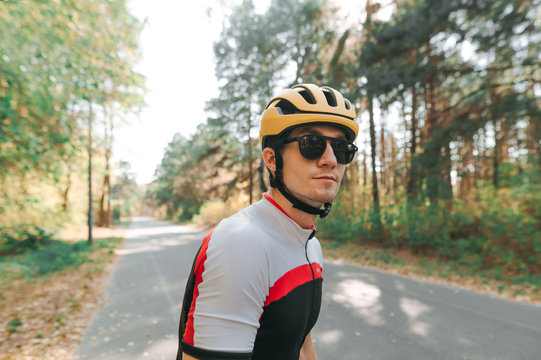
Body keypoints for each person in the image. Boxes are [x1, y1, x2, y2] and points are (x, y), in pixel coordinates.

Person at [176, 83, 359, 360]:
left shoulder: (310, 246)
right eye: (312, 144)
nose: (331, 160)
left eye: (343, 149)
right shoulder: (242, 243)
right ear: (272, 159)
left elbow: (300, 341)